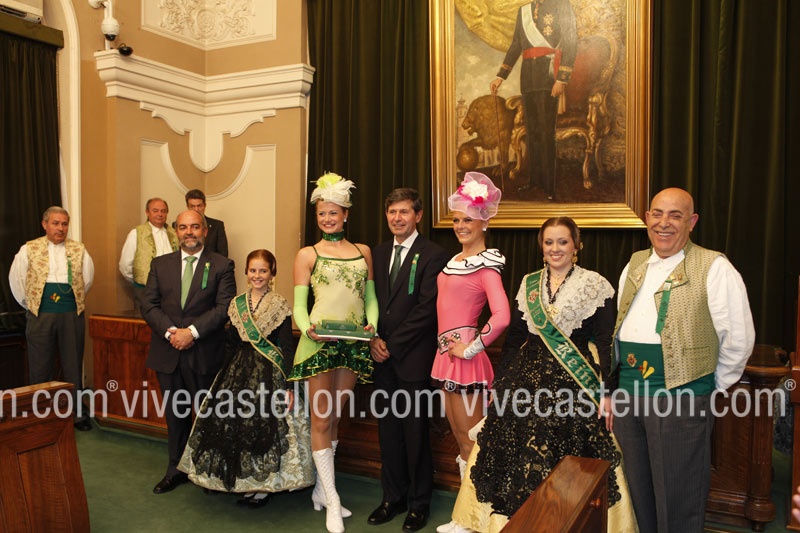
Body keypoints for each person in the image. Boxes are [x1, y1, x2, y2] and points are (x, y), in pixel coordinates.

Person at [448, 217, 637, 533]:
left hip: (574, 383)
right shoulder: (529, 283)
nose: (555, 249)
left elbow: (606, 341)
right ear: (541, 246)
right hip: (526, 378)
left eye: (563, 242)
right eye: (549, 242)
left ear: (576, 245)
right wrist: (501, 384)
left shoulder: (595, 284)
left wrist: (606, 391)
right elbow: (515, 338)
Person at [611, 187, 755, 532]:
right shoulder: (634, 263)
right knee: (637, 492)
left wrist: (705, 384)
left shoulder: (715, 266)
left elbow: (739, 338)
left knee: (679, 497)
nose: (664, 223)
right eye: (657, 214)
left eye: (675, 216)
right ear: (647, 218)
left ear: (691, 222)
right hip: (628, 395)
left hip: (681, 397)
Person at [178, 249, 313, 505]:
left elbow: (286, 347)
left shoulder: (280, 304)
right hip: (237, 371)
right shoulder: (236, 304)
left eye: (263, 270)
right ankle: (240, 481)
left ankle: (263, 487)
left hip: (269, 374)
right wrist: (222, 378)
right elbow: (231, 344)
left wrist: (288, 384)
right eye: (253, 270)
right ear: (246, 272)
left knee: (262, 429)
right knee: (232, 427)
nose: (257, 275)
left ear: (272, 273)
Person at [288, 172, 378, 533]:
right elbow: (299, 305)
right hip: (319, 343)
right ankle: (333, 498)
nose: (328, 219)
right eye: (322, 213)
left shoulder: (363, 252)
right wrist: (307, 328)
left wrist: (372, 326)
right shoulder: (307, 254)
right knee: (321, 420)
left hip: (352, 344)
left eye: (334, 213)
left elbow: (370, 299)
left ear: (346, 214)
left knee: (335, 418)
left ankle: (321, 492)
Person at [431, 172, 510, 533]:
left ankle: (477, 519)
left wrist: (472, 347)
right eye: (457, 220)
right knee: (461, 440)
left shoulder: (486, 265)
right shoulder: (455, 260)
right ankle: (467, 516)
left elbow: (502, 316)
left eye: (469, 220)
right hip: (445, 357)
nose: (461, 226)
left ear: (484, 222)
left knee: (472, 441)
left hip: (464, 361)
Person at [367, 188, 449, 532]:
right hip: (381, 358)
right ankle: (393, 498)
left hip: (413, 358)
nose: (397, 218)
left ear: (418, 215)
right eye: (392, 212)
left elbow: (427, 309)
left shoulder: (434, 254)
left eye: (404, 212)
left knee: (415, 435)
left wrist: (392, 344)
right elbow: (371, 301)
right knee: (388, 434)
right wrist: (373, 338)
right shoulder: (377, 252)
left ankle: (418, 504)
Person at [141, 209, 236, 495]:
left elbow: (224, 307)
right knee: (175, 415)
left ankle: (208, 472)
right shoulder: (160, 264)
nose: (189, 232)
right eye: (183, 227)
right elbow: (148, 305)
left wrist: (191, 333)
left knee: (209, 416)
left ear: (205, 230)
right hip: (168, 352)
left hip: (204, 353)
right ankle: (176, 470)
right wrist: (172, 332)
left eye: (195, 226)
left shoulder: (222, 265)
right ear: (176, 231)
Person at [9, 206, 95, 432]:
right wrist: (33, 305)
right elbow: (17, 282)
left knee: (72, 364)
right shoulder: (28, 249)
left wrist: (69, 301)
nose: (60, 228)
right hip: (41, 313)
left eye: (64, 224)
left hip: (71, 313)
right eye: (55, 223)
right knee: (40, 366)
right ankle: (41, 414)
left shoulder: (79, 250)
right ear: (44, 224)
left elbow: (86, 280)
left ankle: (76, 414)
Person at [489, 0, 577, 199]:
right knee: (533, 132)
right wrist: (500, 76)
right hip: (528, 78)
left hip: (548, 77)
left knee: (546, 133)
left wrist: (562, 78)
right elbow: (516, 45)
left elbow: (571, 40)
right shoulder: (524, 11)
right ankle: (535, 181)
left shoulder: (561, 5)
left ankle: (549, 186)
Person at [118, 198, 178, 308]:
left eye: (163, 211)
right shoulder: (137, 233)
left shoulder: (174, 233)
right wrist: (139, 280)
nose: (160, 214)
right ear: (147, 212)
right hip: (144, 290)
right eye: (155, 211)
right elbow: (125, 265)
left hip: (171, 292)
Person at [184, 189, 228, 257]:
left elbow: (223, 255)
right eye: (192, 206)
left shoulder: (217, 226)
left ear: (204, 206)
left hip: (211, 263)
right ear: (187, 207)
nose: (196, 209)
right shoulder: (180, 226)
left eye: (199, 206)